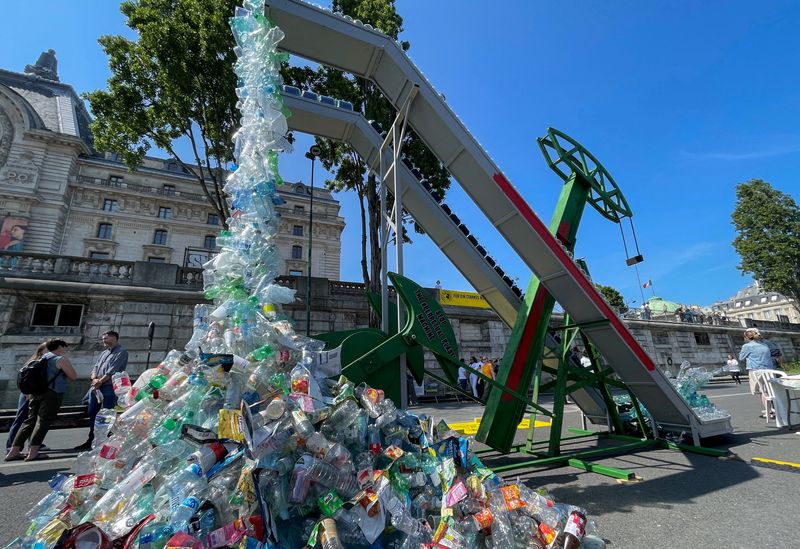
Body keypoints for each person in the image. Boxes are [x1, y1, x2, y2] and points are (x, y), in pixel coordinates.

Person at [5, 339, 77, 461]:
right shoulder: (60, 359)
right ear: (59, 347)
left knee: (29, 421)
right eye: (64, 347)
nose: (65, 350)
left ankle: (13, 451)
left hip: (35, 393)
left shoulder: (40, 358)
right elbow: (73, 376)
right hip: (52, 393)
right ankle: (33, 453)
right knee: (43, 422)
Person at [74, 330, 129, 451]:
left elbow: (112, 370)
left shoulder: (121, 352)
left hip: (108, 386)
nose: (104, 341)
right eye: (103, 339)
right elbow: (96, 366)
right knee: (92, 412)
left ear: (114, 338)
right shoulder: (104, 353)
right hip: (97, 386)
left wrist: (99, 381)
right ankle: (92, 438)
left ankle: (105, 440)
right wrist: (94, 378)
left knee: (106, 413)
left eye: (106, 338)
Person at [6, 342, 48, 452]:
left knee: (33, 420)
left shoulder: (42, 363)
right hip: (28, 394)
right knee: (21, 419)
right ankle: (11, 446)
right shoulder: (35, 364)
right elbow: (23, 380)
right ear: (41, 351)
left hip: (35, 394)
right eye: (47, 350)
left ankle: (34, 443)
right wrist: (27, 394)